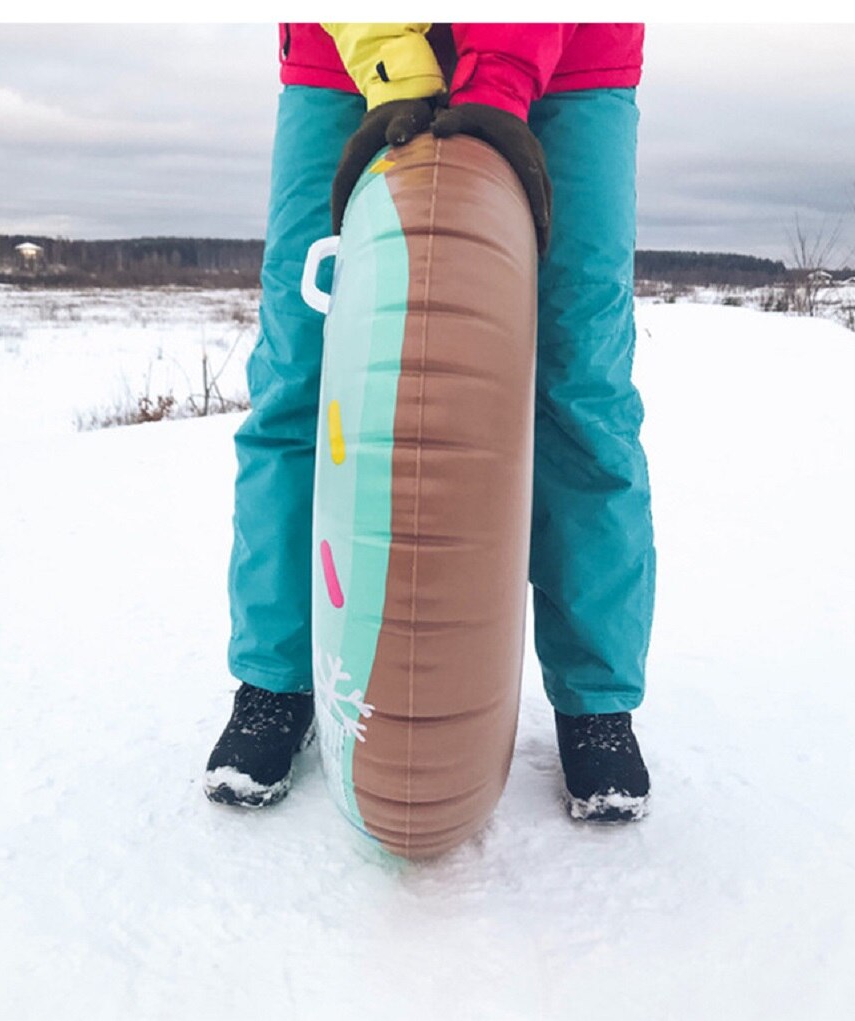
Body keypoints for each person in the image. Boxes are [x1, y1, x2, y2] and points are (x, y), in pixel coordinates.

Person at [204, 23, 656, 823]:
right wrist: (384, 48)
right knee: (301, 373)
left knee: (581, 381)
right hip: (339, 54)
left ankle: (596, 698)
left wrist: (506, 68)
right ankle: (275, 679)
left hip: (573, 60)